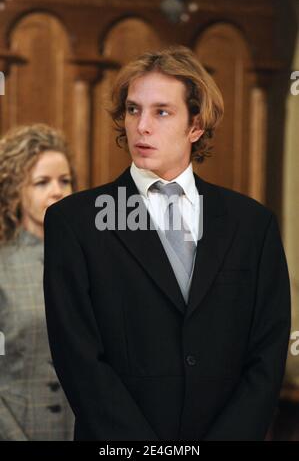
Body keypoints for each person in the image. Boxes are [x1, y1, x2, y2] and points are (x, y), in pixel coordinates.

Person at [43, 46, 291, 441]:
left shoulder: (252, 225)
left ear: (196, 125)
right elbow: (78, 359)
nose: (141, 126)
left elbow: (267, 353)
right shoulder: (74, 222)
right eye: (132, 109)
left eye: (161, 111)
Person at [0, 124, 75, 440]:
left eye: (65, 180)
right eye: (42, 182)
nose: (57, 190)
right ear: (16, 192)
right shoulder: (3, 269)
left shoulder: (92, 264)